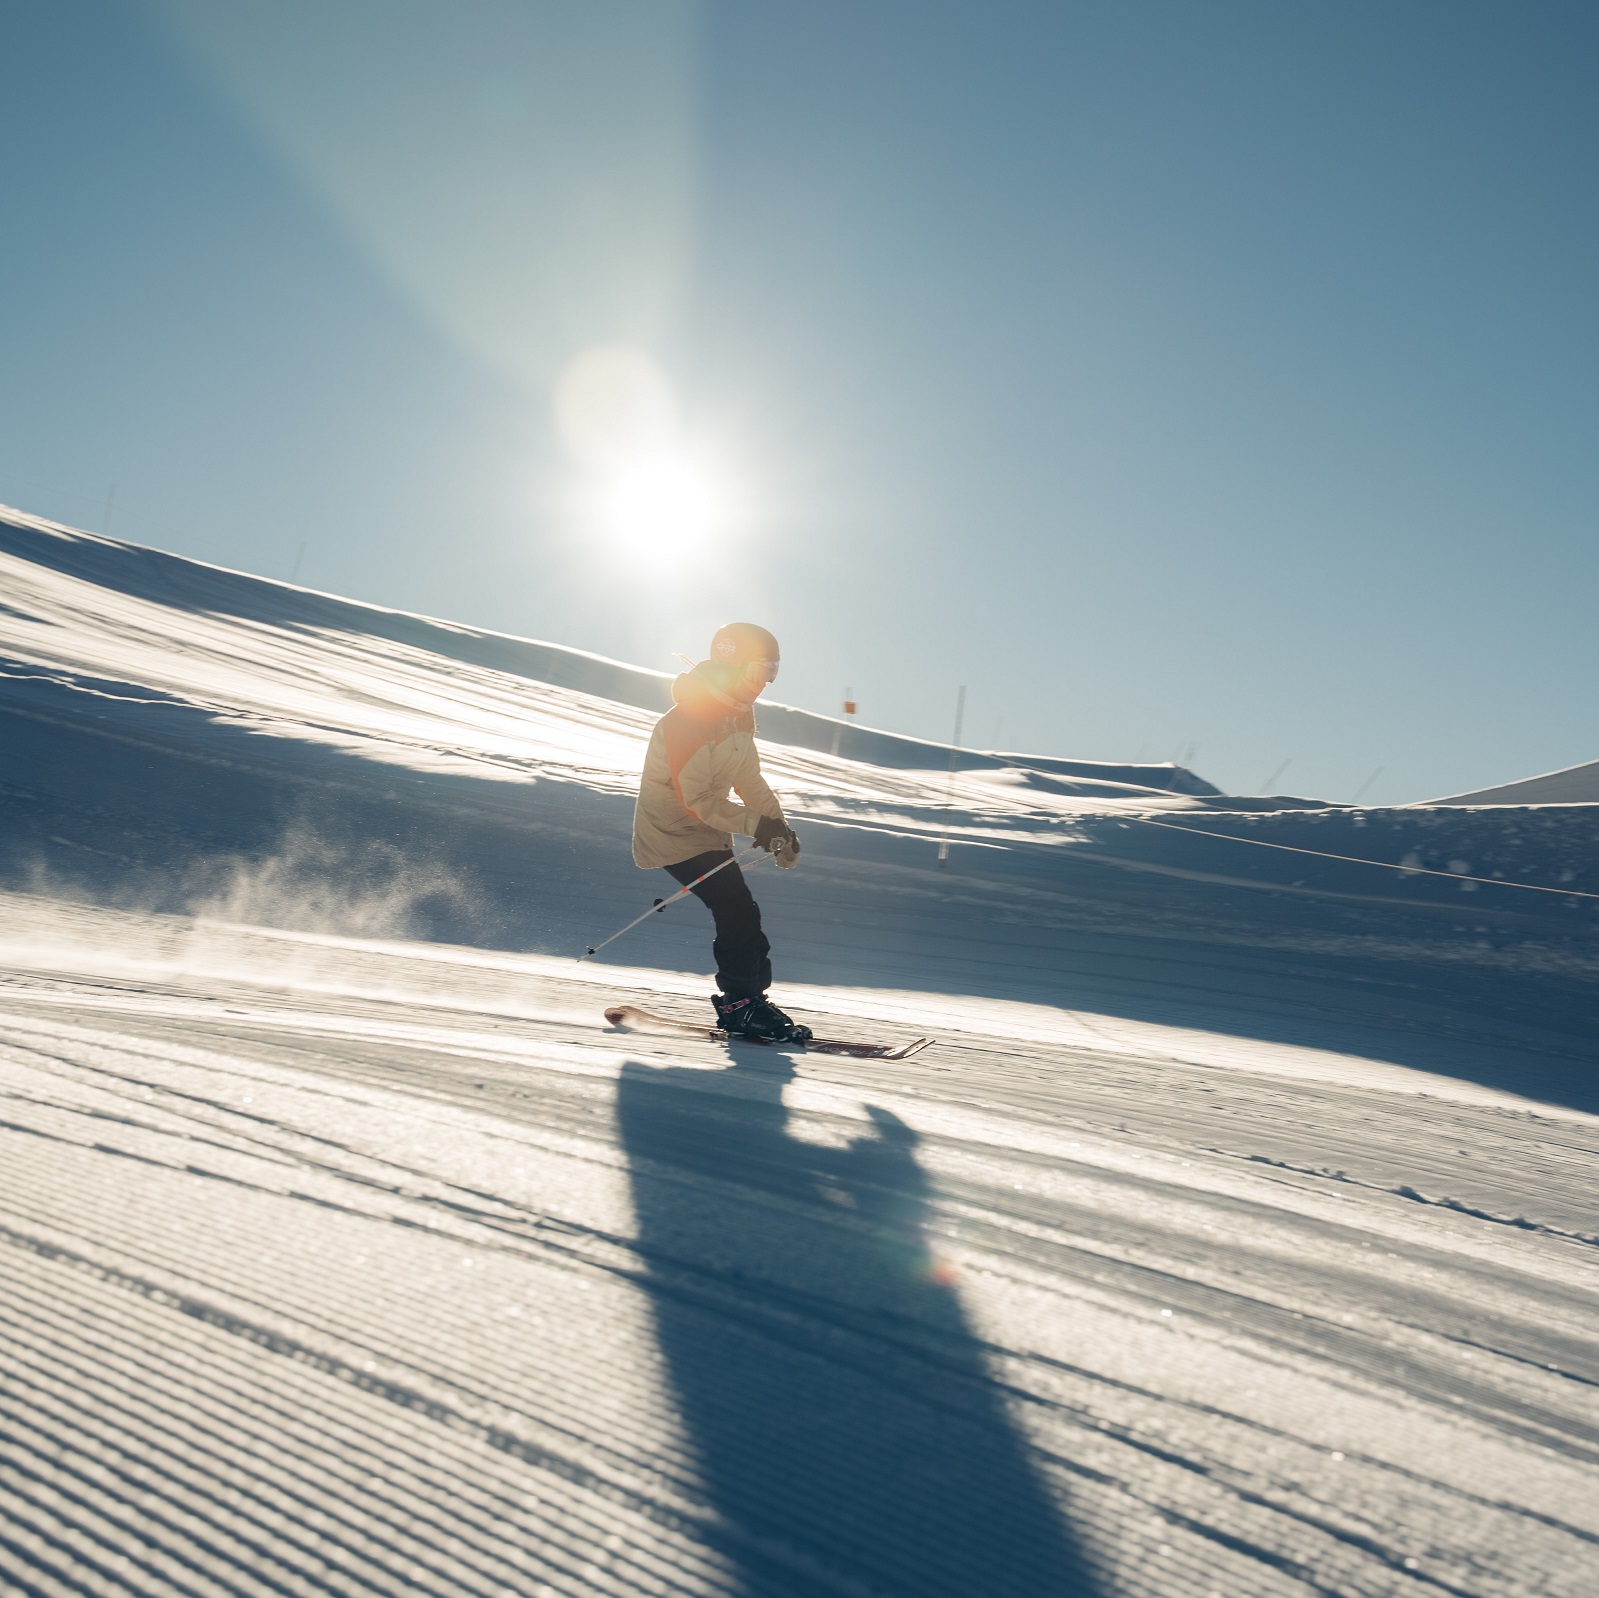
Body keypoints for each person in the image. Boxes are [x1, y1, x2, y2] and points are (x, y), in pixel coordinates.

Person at [632, 622, 812, 1043]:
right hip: (672, 832)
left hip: (707, 833)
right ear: (731, 667)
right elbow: (697, 801)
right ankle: (739, 1005)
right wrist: (757, 825)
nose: (764, 683)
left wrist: (778, 826)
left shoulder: (735, 714)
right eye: (758, 671)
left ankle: (750, 999)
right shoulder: (689, 720)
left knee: (742, 910)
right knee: (735, 907)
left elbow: (750, 781)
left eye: (772, 673)